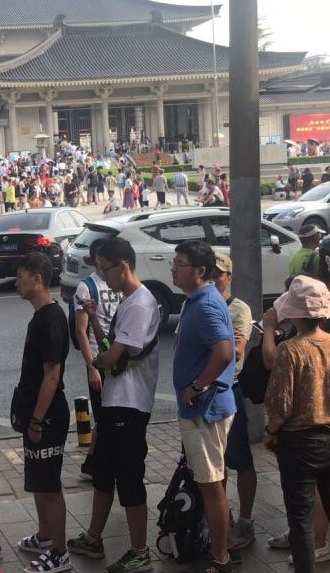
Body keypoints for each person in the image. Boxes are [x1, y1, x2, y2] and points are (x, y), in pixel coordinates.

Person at [66, 238, 160, 573]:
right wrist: (93, 318)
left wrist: (98, 361)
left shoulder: (140, 304)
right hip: (114, 402)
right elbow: (108, 343)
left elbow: (112, 356)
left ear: (123, 265)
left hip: (130, 405)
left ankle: (139, 551)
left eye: (104, 268)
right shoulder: (129, 300)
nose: (101, 276)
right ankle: (94, 537)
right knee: (103, 473)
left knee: (129, 478)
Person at [262, 276, 330, 573]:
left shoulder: (291, 349)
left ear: (294, 313)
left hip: (300, 442)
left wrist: (271, 431)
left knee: (301, 518)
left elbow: (280, 402)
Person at [170, 240, 237, 572]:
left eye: (179, 263)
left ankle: (221, 556)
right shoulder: (196, 300)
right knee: (214, 483)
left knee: (211, 487)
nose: (173, 268)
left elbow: (224, 351)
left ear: (199, 271)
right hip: (206, 407)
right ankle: (221, 544)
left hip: (205, 410)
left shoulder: (206, 304)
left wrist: (197, 386)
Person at [11, 252, 72, 573]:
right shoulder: (41, 316)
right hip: (36, 415)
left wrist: (37, 419)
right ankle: (46, 536)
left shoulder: (51, 319)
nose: (16, 281)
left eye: (21, 275)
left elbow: (52, 374)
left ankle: (60, 552)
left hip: (47, 416)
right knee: (37, 480)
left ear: (37, 278)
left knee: (49, 484)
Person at [211, 253, 257, 551]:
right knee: (217, 464)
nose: (215, 279)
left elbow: (236, 350)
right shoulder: (197, 303)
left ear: (229, 277)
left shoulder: (238, 309)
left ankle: (245, 519)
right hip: (208, 394)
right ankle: (220, 518)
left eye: (220, 274)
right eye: (210, 273)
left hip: (231, 388)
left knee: (241, 460)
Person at [72, 242, 120, 479]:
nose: (103, 266)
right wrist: (91, 367)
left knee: (110, 416)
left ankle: (93, 463)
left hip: (117, 357)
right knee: (104, 415)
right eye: (99, 261)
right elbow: (81, 330)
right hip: (98, 359)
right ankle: (98, 465)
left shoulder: (119, 283)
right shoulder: (86, 286)